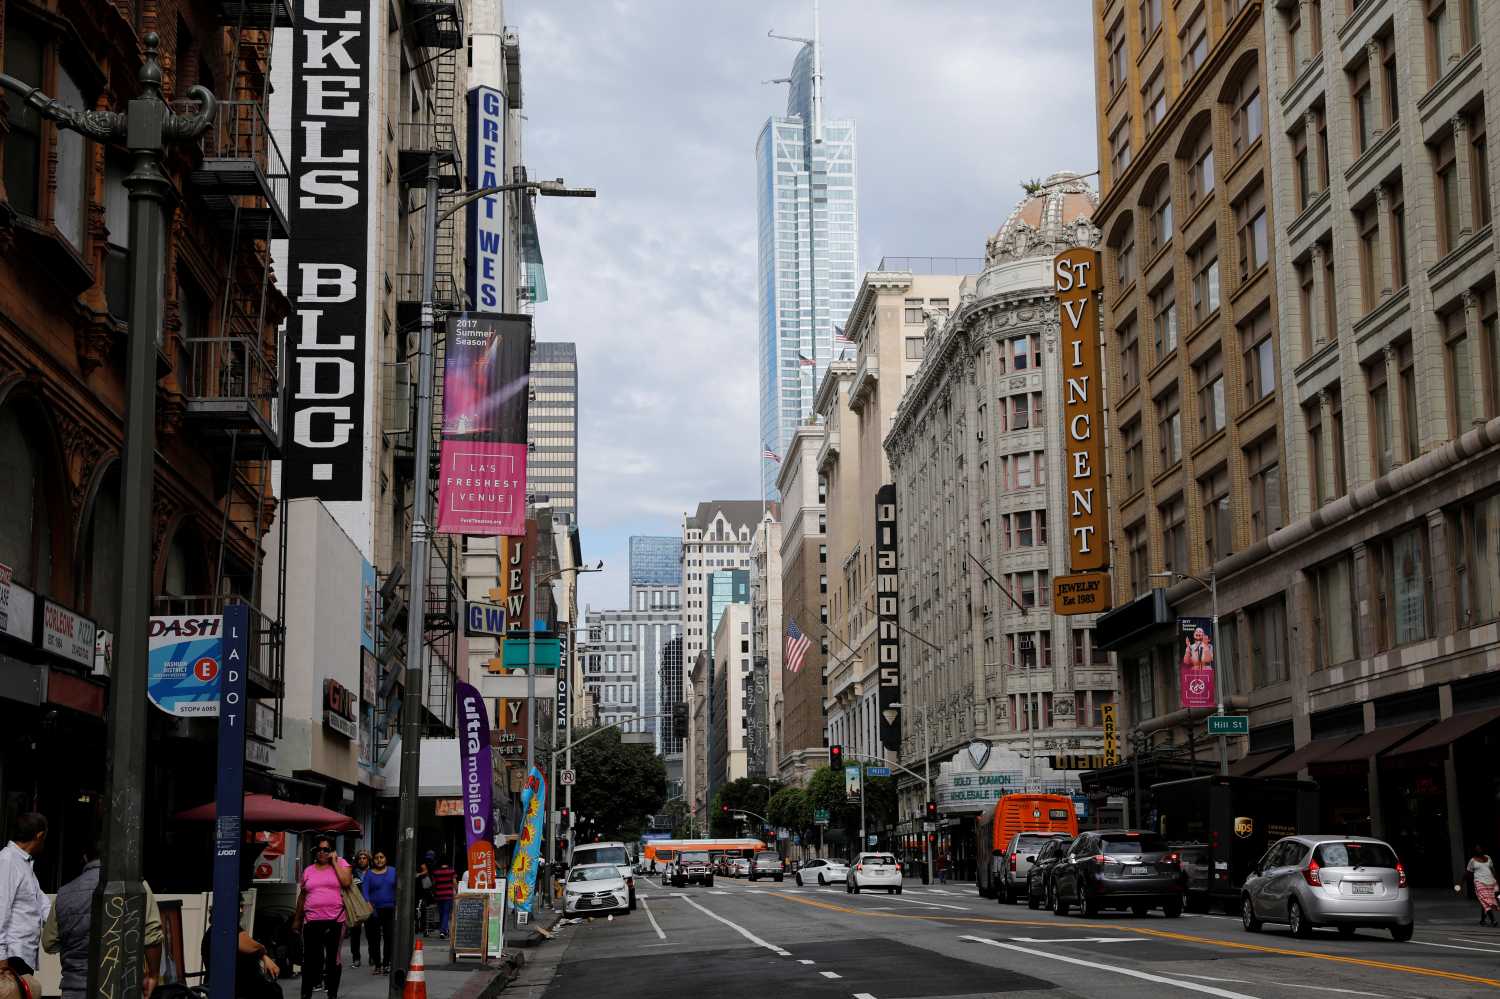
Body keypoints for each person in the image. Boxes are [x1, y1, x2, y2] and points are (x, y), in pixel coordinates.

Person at [42, 843, 163, 999]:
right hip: (122, 987)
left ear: (85, 857)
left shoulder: (64, 893)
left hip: (75, 989)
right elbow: (152, 935)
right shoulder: (137, 886)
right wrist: (153, 975)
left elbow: (49, 943)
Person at [291, 836, 352, 999]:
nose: (322, 852)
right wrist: (297, 919)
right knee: (310, 961)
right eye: (319, 849)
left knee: (332, 960)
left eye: (326, 849)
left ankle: (332, 994)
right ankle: (306, 994)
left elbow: (346, 882)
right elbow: (302, 896)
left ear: (332, 851)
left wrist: (335, 862)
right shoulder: (308, 870)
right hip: (311, 921)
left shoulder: (342, 864)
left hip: (335, 921)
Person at [0, 813, 49, 995]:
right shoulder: (7, 861)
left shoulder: (24, 865)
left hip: (22, 957)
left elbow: (44, 907)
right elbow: (1, 909)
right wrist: (1, 956)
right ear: (39, 835)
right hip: (11, 956)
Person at [201, 897, 281, 999]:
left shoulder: (222, 928)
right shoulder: (224, 929)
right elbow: (254, 946)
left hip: (237, 984)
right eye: (239, 906)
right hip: (232, 986)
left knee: (273, 990)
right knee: (273, 991)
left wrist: (264, 957)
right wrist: (265, 955)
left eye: (242, 906)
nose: (242, 910)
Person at [360, 851, 396, 975]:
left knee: (389, 937)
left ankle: (386, 964)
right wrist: (368, 903)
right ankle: (377, 964)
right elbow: (365, 891)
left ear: (386, 858)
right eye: (376, 858)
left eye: (382, 857)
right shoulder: (369, 874)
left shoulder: (393, 871)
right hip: (373, 910)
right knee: (374, 939)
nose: (379, 860)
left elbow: (399, 887)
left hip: (390, 909)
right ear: (373, 860)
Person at [347, 852, 370, 968]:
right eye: (360, 858)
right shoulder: (352, 872)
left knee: (371, 933)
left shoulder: (372, 872)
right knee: (355, 933)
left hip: (370, 905)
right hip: (356, 906)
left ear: (368, 860)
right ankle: (356, 958)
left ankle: (373, 956)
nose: (362, 860)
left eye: (364, 858)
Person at [1468, 845, 1498, 926]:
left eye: (1480, 848)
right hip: (1479, 882)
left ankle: (1482, 920)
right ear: (1474, 851)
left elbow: (1492, 869)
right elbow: (1468, 872)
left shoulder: (1488, 858)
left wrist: (1496, 881)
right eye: (1476, 849)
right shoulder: (1472, 860)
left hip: (1490, 882)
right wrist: (1461, 883)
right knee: (1485, 900)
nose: (1479, 850)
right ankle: (1493, 920)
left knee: (1485, 902)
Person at [429, 856, 456, 939]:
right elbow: (454, 883)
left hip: (439, 895)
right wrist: (456, 890)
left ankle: (444, 930)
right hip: (448, 895)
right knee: (446, 913)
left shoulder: (436, 872)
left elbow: (434, 883)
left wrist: (434, 892)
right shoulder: (451, 871)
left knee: (441, 913)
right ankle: (443, 931)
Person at [414, 853, 434, 935]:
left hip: (422, 890)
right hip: (416, 890)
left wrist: (418, 874)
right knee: (417, 909)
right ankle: (418, 927)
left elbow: (425, 871)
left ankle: (423, 927)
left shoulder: (420, 863)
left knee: (422, 908)